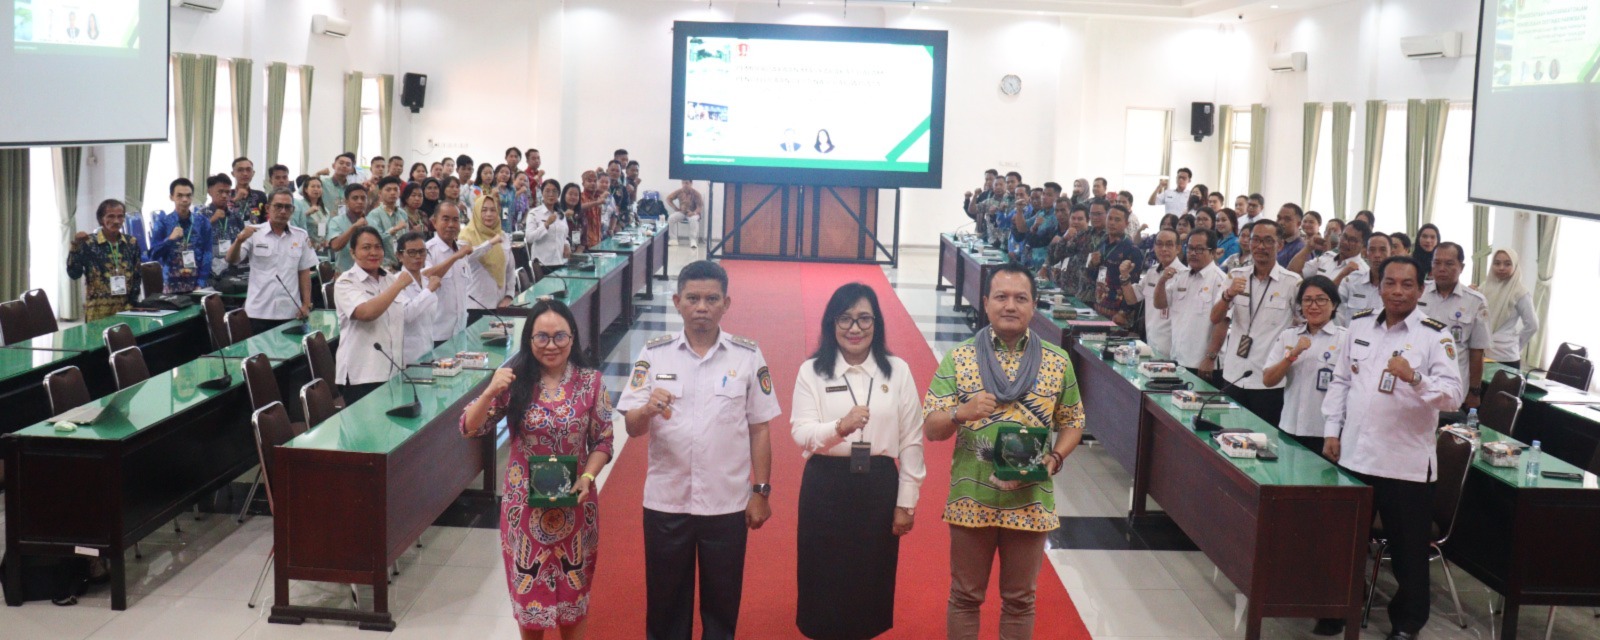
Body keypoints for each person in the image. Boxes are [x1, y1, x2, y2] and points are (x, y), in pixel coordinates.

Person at [618, 260, 781, 640]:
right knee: (665, 606)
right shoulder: (655, 354)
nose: (702, 307)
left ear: (726, 303)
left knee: (722, 607)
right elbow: (633, 428)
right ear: (677, 302)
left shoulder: (746, 356)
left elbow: (760, 428)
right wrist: (646, 409)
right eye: (692, 298)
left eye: (711, 299)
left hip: (726, 503)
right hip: (667, 502)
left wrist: (761, 492)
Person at [921, 264, 1084, 640]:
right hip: (971, 497)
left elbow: (1073, 421)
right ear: (985, 302)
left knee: (1020, 601)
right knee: (964, 597)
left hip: (1030, 500)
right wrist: (961, 412)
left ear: (1034, 305)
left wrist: (1055, 457)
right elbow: (931, 427)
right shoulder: (960, 358)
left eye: (1020, 298)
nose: (1010, 305)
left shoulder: (1057, 361)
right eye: (1001, 297)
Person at [1322, 256, 1462, 640]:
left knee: (1408, 554)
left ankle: (1406, 624)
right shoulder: (1360, 324)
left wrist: (1415, 378)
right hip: (1355, 456)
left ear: (1420, 289)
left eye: (1407, 284)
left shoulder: (1435, 336)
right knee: (1345, 544)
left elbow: (1453, 396)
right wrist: (1332, 430)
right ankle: (1337, 609)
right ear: (1379, 285)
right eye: (1390, 283)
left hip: (1405, 464)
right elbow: (1341, 381)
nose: (1397, 291)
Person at [461, 298, 613, 639]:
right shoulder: (514, 382)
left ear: (572, 337)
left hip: (576, 507)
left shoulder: (591, 382)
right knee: (530, 601)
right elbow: (470, 428)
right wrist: (489, 391)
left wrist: (588, 477)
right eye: (541, 337)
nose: (551, 345)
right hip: (524, 512)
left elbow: (603, 440)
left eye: (560, 336)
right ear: (529, 339)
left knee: (574, 599)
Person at [790, 283, 924, 640]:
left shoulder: (897, 371)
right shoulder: (812, 371)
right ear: (831, 323)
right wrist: (839, 428)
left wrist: (906, 503)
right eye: (845, 319)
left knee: (870, 575)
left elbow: (912, 440)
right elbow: (801, 432)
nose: (855, 328)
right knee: (823, 575)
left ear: (876, 323)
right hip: (825, 484)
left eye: (864, 319)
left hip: (878, 485)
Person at [1208, 219, 1300, 425]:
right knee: (1228, 434)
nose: (1260, 246)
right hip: (1234, 373)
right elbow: (1215, 318)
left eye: (1268, 241)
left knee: (1263, 438)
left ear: (1280, 245)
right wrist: (1228, 295)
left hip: (1268, 380)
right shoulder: (1235, 276)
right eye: (1255, 240)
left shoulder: (1292, 283)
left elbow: (1303, 325)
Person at [1262, 276, 1347, 456]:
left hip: (1324, 432)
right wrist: (1292, 355)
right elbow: (1268, 380)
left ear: (1334, 304)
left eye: (1321, 300)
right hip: (1289, 426)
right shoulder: (1288, 336)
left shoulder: (1345, 340)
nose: (1313, 306)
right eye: (1307, 300)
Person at [332, 227, 412, 403]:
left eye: (378, 247)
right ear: (353, 253)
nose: (373, 253)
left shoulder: (389, 278)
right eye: (366, 248)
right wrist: (398, 286)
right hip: (362, 375)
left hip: (393, 371)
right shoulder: (346, 282)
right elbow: (366, 313)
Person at [225, 188, 317, 336]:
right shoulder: (253, 232)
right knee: (259, 351)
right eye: (278, 206)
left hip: (290, 312)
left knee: (290, 350)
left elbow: (304, 273)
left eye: (287, 207)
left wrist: (306, 304)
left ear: (293, 210)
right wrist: (239, 240)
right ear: (268, 208)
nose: (283, 211)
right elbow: (232, 260)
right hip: (258, 312)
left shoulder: (301, 236)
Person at [1420, 242, 1489, 407]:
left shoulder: (1475, 301)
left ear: (1461, 267)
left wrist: (1474, 391)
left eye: (1449, 263)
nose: (1442, 269)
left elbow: (1477, 351)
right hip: (1418, 382)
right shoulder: (1418, 293)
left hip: (1452, 388)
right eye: (1437, 263)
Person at [1162, 228, 1230, 379]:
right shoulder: (1181, 276)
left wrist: (1210, 358)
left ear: (1213, 252)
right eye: (1190, 248)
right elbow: (1160, 304)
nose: (1193, 253)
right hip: (1178, 358)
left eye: (1199, 249)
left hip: (1203, 365)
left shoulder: (1220, 280)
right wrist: (1162, 280)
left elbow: (1222, 323)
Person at [67, 199, 143, 321]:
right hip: (97, 311)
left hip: (126, 308)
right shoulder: (89, 243)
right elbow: (74, 274)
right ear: (101, 219)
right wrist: (75, 247)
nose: (116, 221)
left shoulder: (131, 243)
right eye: (111, 216)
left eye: (120, 216)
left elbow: (137, 276)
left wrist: (133, 303)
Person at [424, 201, 480, 347]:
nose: (451, 225)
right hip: (437, 333)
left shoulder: (461, 248)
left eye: (455, 220)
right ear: (434, 222)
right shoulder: (427, 250)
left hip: (460, 329)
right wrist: (455, 257)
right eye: (445, 219)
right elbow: (425, 277)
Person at [148, 178, 215, 294]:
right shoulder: (163, 223)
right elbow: (153, 255)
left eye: (188, 195)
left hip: (196, 286)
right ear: (171, 197)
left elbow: (208, 253)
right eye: (179, 196)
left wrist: (201, 283)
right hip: (171, 286)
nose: (184, 199)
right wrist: (169, 239)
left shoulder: (202, 222)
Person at [1479, 248, 1539, 369]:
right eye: (1497, 263)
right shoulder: (1484, 288)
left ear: (1515, 266)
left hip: (1506, 356)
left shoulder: (1520, 292)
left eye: (1507, 264)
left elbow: (1532, 325)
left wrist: (1515, 344)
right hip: (1482, 353)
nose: (1501, 268)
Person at [392, 232, 442, 365]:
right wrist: (429, 290)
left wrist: (428, 289)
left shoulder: (426, 281)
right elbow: (407, 314)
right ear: (399, 256)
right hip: (407, 357)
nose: (418, 257)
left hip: (428, 352)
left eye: (422, 252)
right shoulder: (395, 282)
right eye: (412, 252)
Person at [1090, 204, 1143, 328]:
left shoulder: (1132, 250)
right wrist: (1092, 265)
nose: (1112, 223)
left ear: (1126, 224)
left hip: (1118, 315)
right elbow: (1092, 277)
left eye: (1117, 220)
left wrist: (1123, 313)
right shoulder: (1101, 244)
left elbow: (1134, 286)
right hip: (1098, 307)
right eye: (1110, 218)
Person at [1131, 229, 1180, 357]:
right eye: (1159, 244)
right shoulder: (1152, 272)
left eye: (1169, 244)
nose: (1163, 249)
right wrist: (1124, 277)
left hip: (1173, 349)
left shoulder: (1184, 274)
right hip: (1151, 343)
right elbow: (1132, 298)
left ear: (1178, 248)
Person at [463, 196, 515, 310]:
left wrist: (509, 296)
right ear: (476, 212)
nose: (489, 214)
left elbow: (510, 270)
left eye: (493, 210)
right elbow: (465, 257)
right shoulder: (466, 235)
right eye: (484, 210)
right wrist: (490, 243)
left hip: (500, 306)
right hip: (475, 306)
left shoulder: (503, 236)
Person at [1336, 232, 1390, 326]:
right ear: (1365, 253)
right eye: (1372, 250)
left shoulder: (1398, 287)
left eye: (1382, 250)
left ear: (1391, 253)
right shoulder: (1351, 282)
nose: (1377, 255)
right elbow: (1336, 309)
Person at [1295, 219, 1370, 280]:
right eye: (1344, 236)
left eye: (1352, 240)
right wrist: (1308, 248)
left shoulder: (1363, 273)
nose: (1345, 242)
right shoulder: (1327, 257)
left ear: (1363, 246)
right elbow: (1294, 272)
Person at [525, 179, 570, 278]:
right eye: (547, 191)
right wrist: (546, 225)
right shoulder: (534, 213)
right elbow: (529, 238)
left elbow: (564, 236)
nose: (551, 194)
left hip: (560, 262)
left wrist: (566, 245)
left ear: (558, 194)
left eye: (554, 191)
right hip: (542, 264)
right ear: (542, 193)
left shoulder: (561, 214)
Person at [326, 184, 371, 272]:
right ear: (346, 202)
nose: (360, 201)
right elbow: (335, 246)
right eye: (355, 198)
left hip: (368, 272)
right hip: (344, 273)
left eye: (363, 198)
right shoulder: (336, 221)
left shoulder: (372, 221)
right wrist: (354, 227)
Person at [366, 176, 407, 262]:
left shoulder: (403, 213)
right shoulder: (374, 215)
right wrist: (395, 229)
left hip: (403, 261)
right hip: (382, 263)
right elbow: (375, 240)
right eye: (388, 190)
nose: (393, 193)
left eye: (396, 190)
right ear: (380, 193)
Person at [293, 175, 330, 252]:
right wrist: (307, 213)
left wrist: (326, 240)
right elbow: (294, 224)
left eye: (319, 187)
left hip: (321, 248)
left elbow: (325, 229)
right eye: (313, 186)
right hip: (303, 246)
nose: (316, 189)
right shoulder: (299, 205)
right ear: (306, 189)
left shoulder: (325, 210)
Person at [665, 180, 704, 250]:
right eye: (683, 183)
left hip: (693, 213)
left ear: (691, 184)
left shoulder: (696, 194)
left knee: (694, 219)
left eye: (687, 183)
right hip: (682, 212)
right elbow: (668, 199)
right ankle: (673, 239)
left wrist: (693, 213)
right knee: (671, 218)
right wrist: (675, 208)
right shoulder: (679, 191)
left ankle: (693, 240)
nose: (684, 185)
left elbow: (700, 207)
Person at [1275, 203, 1306, 268]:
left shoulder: (1301, 249)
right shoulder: (1275, 243)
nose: (1281, 223)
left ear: (1298, 223)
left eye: (1287, 219)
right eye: (1279, 218)